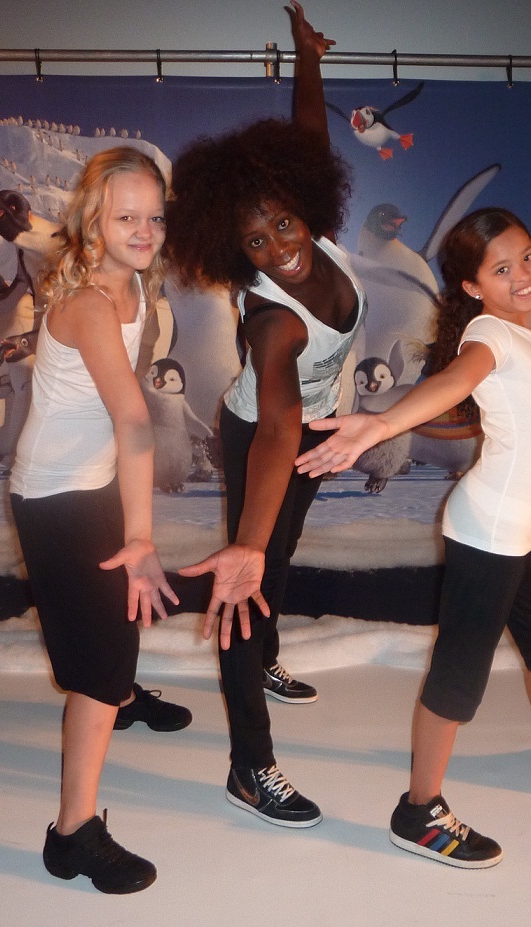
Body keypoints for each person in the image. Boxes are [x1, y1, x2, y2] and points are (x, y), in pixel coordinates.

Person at [296, 208, 531, 868]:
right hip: (490, 533)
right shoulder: (489, 336)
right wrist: (382, 425)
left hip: (521, 528)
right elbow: (454, 382)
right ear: (471, 286)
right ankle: (418, 811)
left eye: (526, 257)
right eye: (501, 269)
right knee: (458, 676)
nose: (522, 275)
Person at [166, 1, 359, 828]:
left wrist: (306, 57)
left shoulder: (318, 233)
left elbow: (309, 134)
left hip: (314, 428)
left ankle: (266, 649)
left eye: (283, 222)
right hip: (264, 437)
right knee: (248, 581)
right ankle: (250, 766)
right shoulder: (273, 319)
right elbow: (278, 425)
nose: (279, 246)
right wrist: (243, 541)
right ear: (233, 251)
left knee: (280, 555)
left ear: (303, 205)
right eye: (255, 242)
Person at [8, 146, 191, 894]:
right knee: (97, 660)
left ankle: (122, 691)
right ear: (93, 224)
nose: (145, 231)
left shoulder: (134, 284)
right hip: (56, 499)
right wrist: (139, 536)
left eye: (155, 218)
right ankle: (71, 836)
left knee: (118, 616)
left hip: (96, 482)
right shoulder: (86, 304)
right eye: (126, 218)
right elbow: (134, 420)